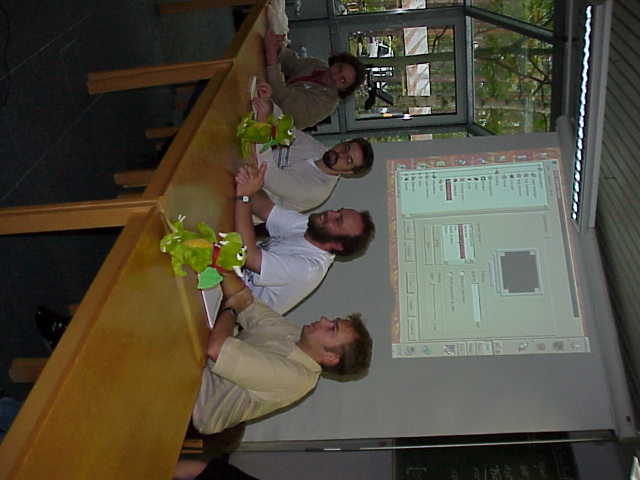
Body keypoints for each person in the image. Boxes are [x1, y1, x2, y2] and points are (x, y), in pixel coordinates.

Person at [191, 268, 373, 435]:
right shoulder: (296, 335)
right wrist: (221, 263)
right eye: (333, 321)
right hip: (195, 366)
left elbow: (216, 349)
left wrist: (231, 309)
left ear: (331, 357)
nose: (324, 320)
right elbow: (243, 299)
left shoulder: (297, 379)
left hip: (189, 407)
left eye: (332, 328)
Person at [234, 164, 375, 314]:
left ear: (338, 245)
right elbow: (266, 208)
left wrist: (245, 196)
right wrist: (250, 180)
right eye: (338, 211)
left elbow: (248, 256)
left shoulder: (309, 269)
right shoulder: (313, 227)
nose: (330, 213)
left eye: (337, 220)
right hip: (231, 268)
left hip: (229, 305)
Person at [252, 82, 374, 213]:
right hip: (250, 158)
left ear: (349, 173)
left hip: (247, 198)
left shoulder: (317, 190)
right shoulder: (319, 150)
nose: (341, 154)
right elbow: (287, 130)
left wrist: (261, 125)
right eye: (346, 147)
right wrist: (269, 104)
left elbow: (268, 175)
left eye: (348, 160)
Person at [264, 29, 365, 129]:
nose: (335, 77)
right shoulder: (318, 65)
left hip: (269, 124)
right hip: (265, 98)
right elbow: (292, 63)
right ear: (337, 62)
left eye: (342, 81)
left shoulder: (326, 104)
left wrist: (271, 56)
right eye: (339, 69)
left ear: (344, 89)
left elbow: (284, 101)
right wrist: (278, 47)